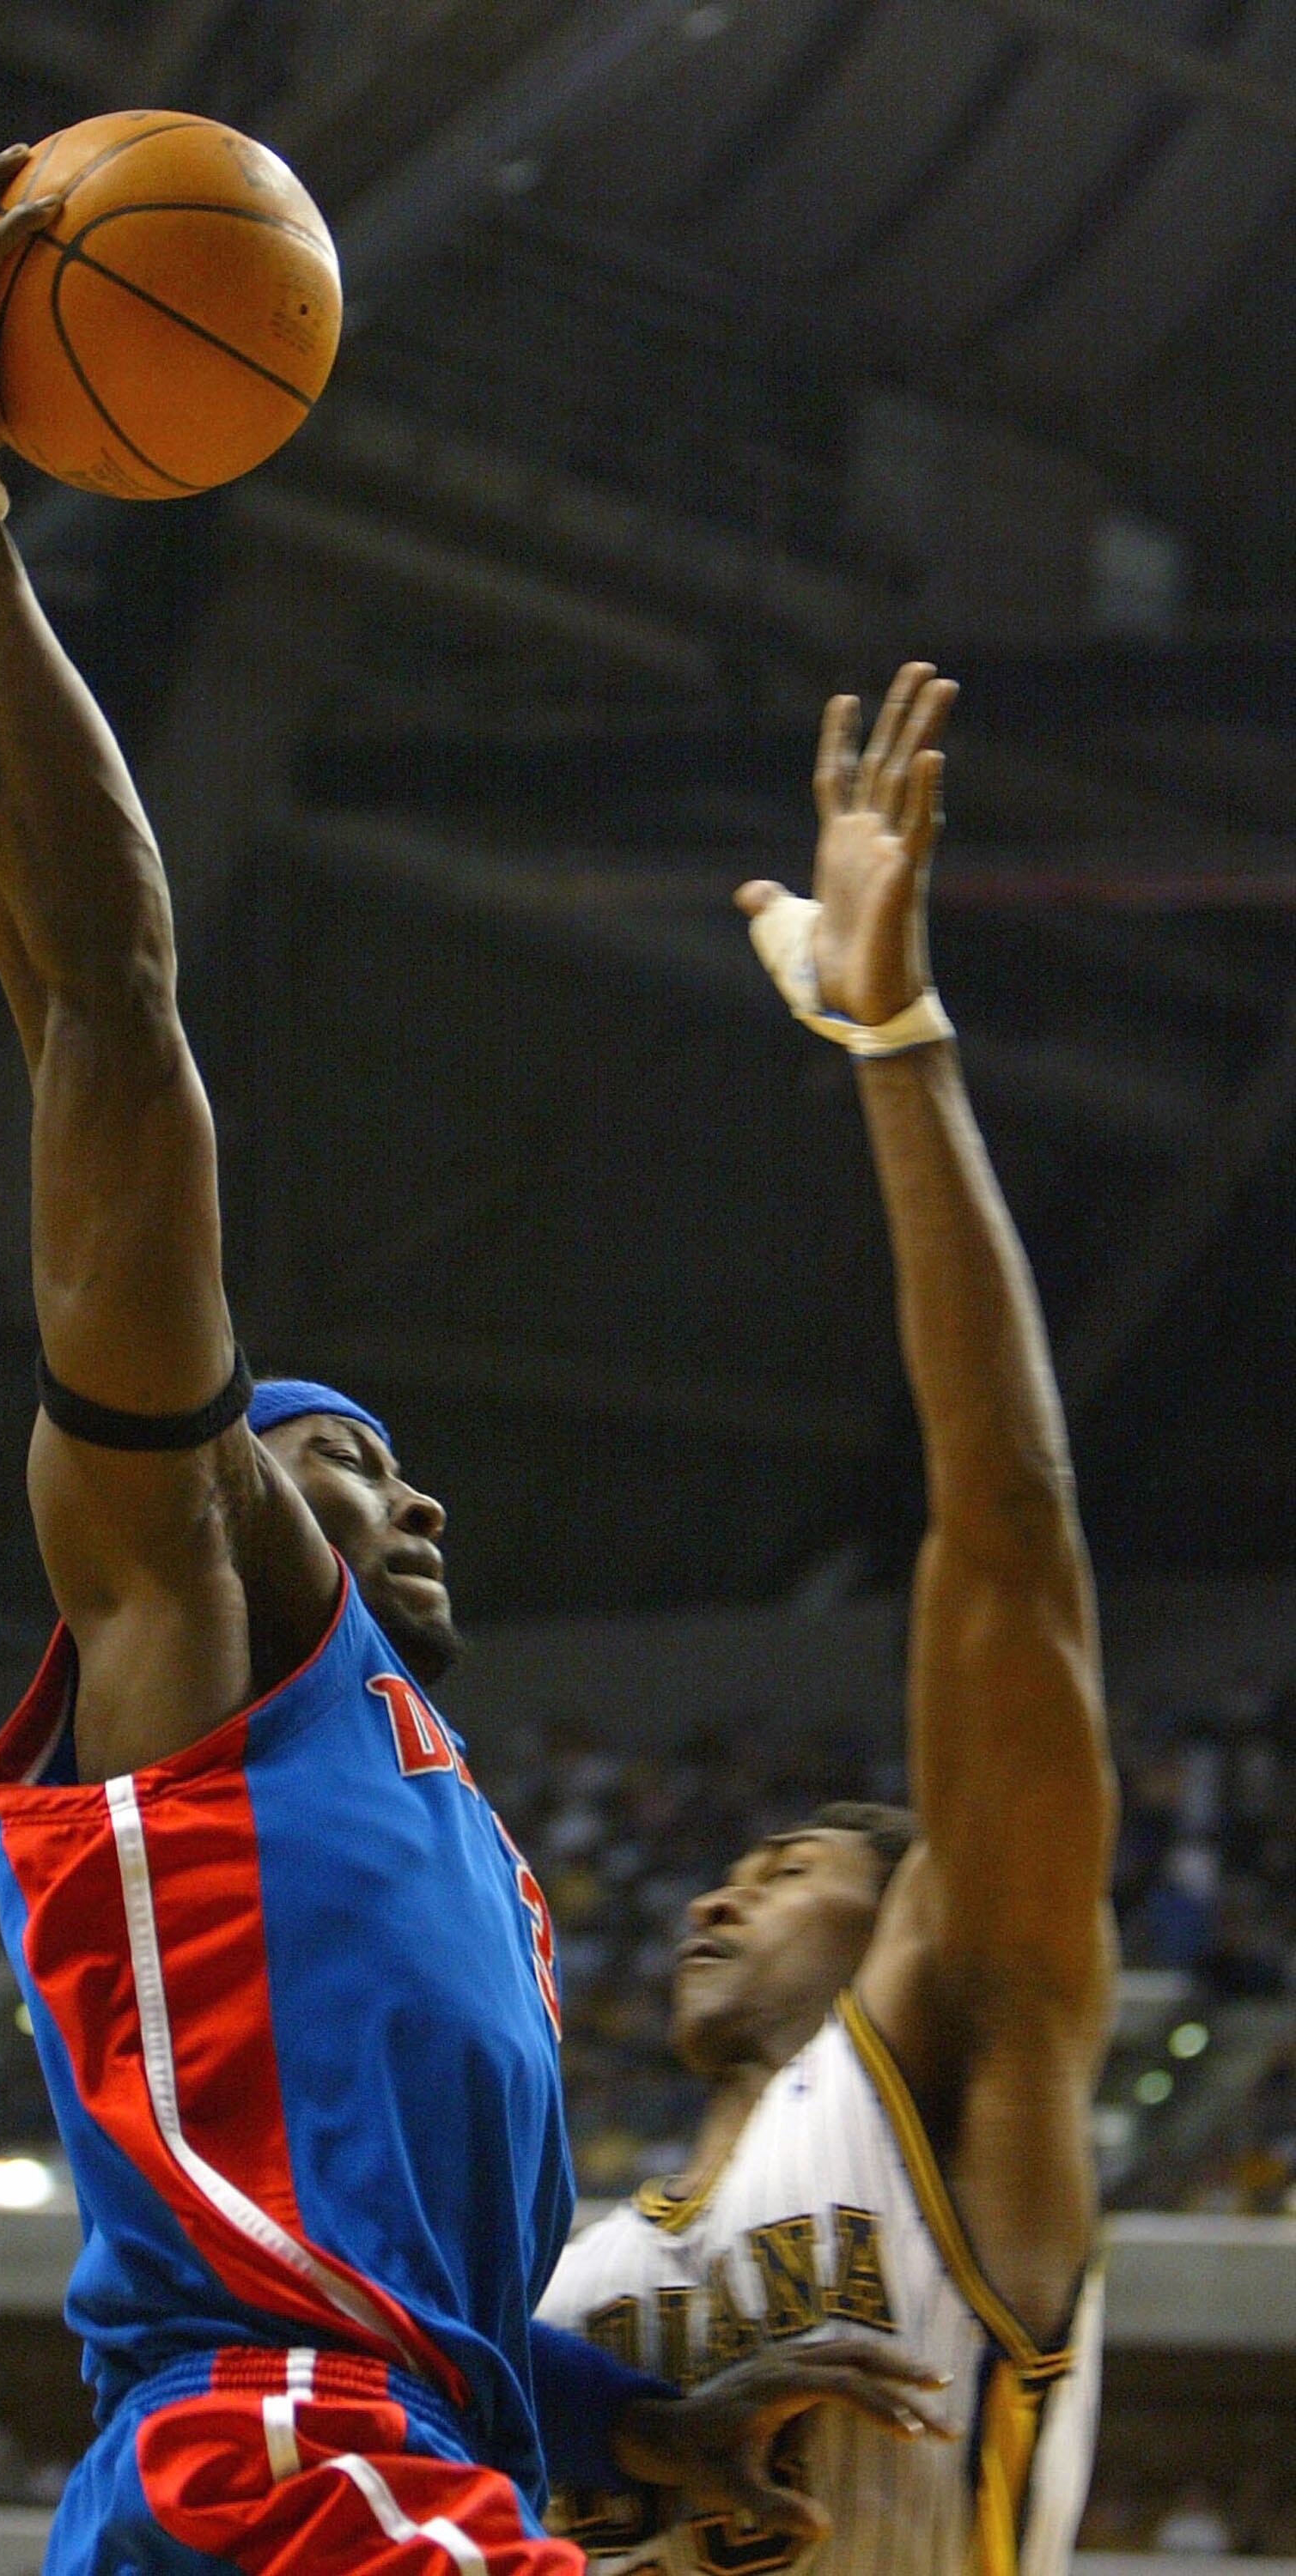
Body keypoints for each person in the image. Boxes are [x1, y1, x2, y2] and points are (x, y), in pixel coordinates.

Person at [0, 155, 942, 2576]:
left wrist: (623, 2410)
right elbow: (103, 1022)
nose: (416, 1497)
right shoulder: (192, 1623)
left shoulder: (460, 1833)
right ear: (228, 1500)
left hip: (377, 2461)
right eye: (349, 1459)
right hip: (272, 2476)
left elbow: (416, 2309)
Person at [538, 666, 1117, 2576]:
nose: (718, 1891)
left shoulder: (952, 2066)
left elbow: (1007, 1549)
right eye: (733, 1869)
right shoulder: (579, 2270)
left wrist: (897, 1049)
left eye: (787, 1866)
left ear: (919, 1926)